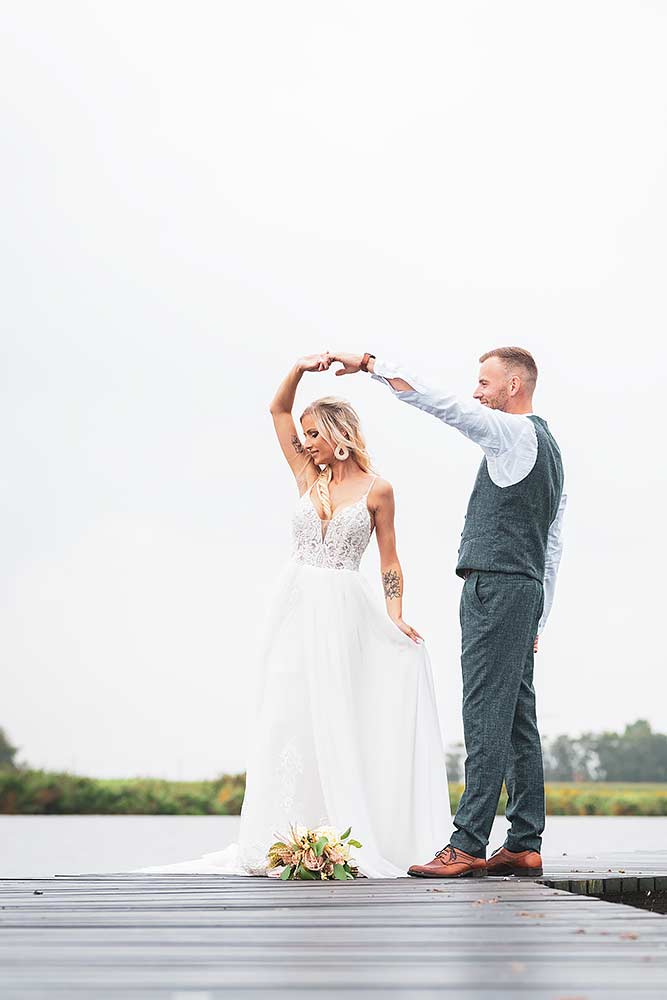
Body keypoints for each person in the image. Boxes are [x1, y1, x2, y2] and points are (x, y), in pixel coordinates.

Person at [136, 353, 450, 878]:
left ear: (339, 434)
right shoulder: (307, 475)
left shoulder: (379, 490)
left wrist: (396, 615)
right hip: (296, 606)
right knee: (287, 713)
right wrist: (300, 370)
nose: (304, 441)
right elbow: (277, 409)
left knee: (340, 714)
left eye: (313, 433)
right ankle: (278, 836)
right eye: (303, 434)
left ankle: (339, 834)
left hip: (348, 611)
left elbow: (389, 559)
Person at [328, 348, 566, 879]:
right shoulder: (552, 451)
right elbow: (552, 545)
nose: (478, 391)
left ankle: (467, 843)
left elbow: (446, 406)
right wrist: (538, 619)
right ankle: (525, 840)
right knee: (518, 717)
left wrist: (372, 364)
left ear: (512, 385)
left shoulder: (510, 434)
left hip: (495, 588)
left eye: (484, 381)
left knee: (483, 712)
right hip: (524, 592)